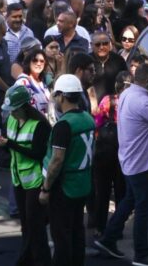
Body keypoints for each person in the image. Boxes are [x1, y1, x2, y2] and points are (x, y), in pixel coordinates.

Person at [94, 64, 148, 266]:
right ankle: (142, 254)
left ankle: (108, 239)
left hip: (133, 162)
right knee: (143, 210)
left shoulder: (129, 94)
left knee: (129, 202)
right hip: (144, 165)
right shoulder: (142, 101)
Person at [0, 85, 52, 265]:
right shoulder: (11, 120)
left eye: (14, 110)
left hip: (34, 181)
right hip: (18, 180)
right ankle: (28, 259)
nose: (12, 114)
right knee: (26, 225)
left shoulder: (39, 125)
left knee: (36, 226)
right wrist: (1, 144)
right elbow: (10, 147)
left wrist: (9, 144)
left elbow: (38, 154)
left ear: (24, 107)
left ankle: (40, 260)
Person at [40, 74, 96, 266]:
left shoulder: (64, 125)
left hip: (64, 188)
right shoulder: (88, 118)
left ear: (62, 96)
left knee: (62, 236)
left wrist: (46, 189)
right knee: (77, 231)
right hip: (83, 184)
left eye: (56, 96)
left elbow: (57, 160)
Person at [90, 71, 129, 236]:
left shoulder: (107, 100)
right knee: (121, 191)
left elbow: (97, 123)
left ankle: (100, 227)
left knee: (103, 192)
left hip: (105, 152)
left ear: (116, 86)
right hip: (124, 152)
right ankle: (118, 228)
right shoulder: (133, 102)